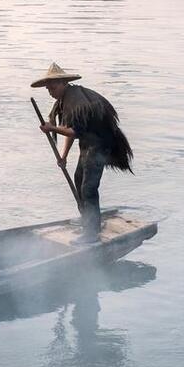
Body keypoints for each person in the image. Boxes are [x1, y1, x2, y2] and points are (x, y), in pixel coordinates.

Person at [32, 62, 133, 240]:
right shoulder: (64, 101)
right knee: (79, 180)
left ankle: (91, 234)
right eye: (48, 89)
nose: (51, 92)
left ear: (63, 84)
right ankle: (88, 223)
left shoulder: (75, 100)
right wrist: (63, 157)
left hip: (100, 145)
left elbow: (73, 131)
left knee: (88, 188)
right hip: (88, 144)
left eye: (53, 87)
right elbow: (71, 130)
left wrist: (51, 129)